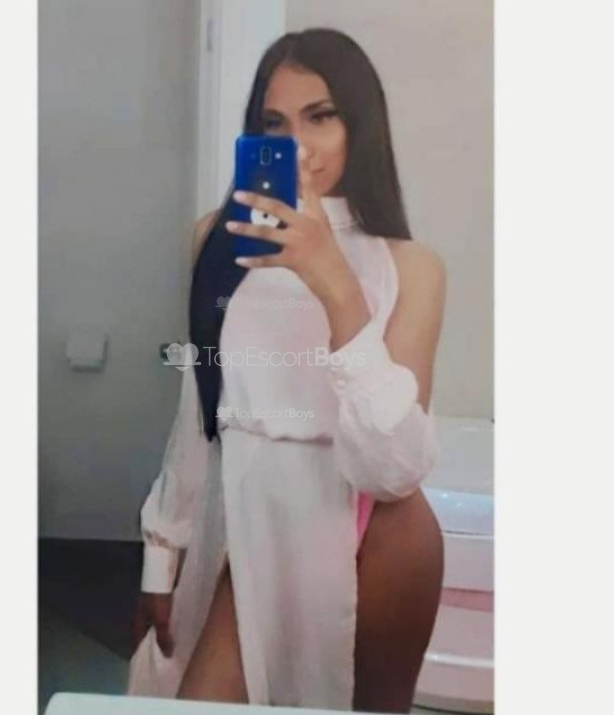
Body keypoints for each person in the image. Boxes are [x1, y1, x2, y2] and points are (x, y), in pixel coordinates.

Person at [128, 28, 446, 713]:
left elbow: (393, 469)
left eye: (320, 116)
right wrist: (161, 551)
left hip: (376, 534)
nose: (297, 143)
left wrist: (336, 285)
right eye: (275, 123)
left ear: (359, 125)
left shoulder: (412, 266)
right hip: (248, 518)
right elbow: (198, 411)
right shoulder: (214, 240)